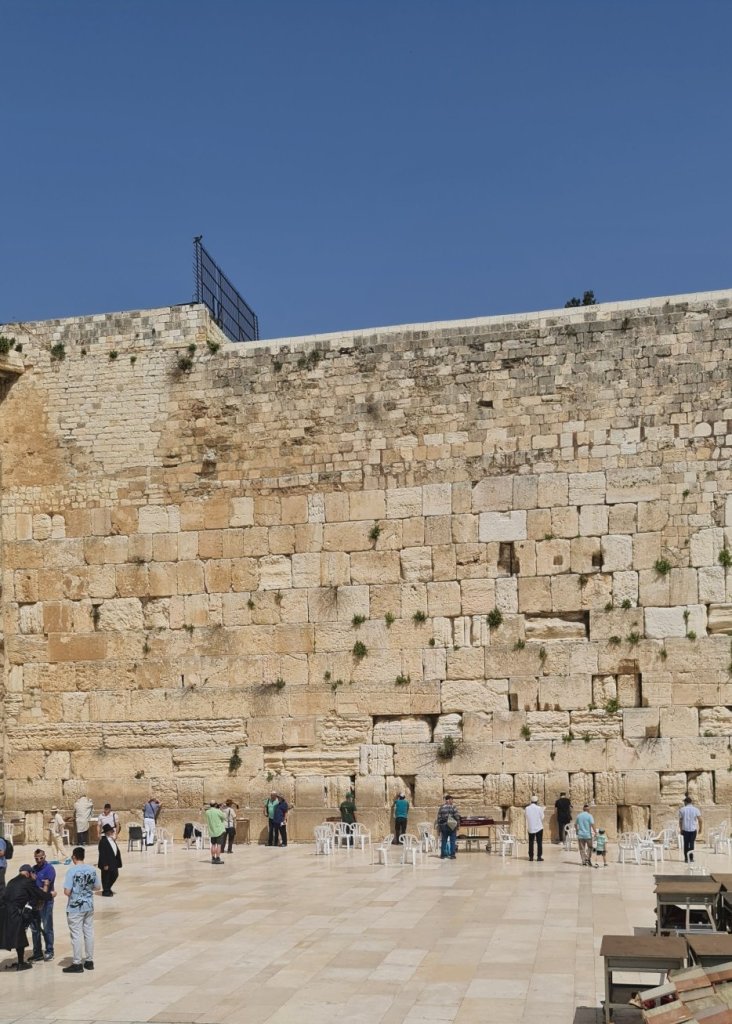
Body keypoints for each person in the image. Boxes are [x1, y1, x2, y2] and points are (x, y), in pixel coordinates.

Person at [0, 864, 52, 970]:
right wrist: (51, 895)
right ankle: (21, 964)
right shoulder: (28, 881)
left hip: (4, 912)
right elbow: (39, 894)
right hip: (15, 913)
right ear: (28, 873)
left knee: (8, 936)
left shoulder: (12, 881)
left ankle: (21, 962)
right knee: (20, 938)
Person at [62, 847, 101, 973]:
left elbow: (67, 891)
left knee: (76, 935)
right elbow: (97, 887)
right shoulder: (92, 870)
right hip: (89, 905)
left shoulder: (72, 871)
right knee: (89, 932)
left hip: (75, 907)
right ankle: (89, 961)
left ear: (74, 857)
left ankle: (77, 963)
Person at [30, 848, 56, 962]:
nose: (39, 860)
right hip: (34, 903)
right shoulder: (33, 869)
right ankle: (37, 953)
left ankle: (49, 950)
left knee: (47, 927)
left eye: (41, 858)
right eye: (37, 858)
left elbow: (45, 888)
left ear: (44, 856)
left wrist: (38, 891)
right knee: (35, 928)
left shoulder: (49, 869)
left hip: (46, 903)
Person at [97, 823, 122, 896]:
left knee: (115, 874)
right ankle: (106, 891)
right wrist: (105, 864)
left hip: (113, 861)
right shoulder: (103, 841)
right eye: (111, 831)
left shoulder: (112, 839)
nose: (112, 832)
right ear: (107, 832)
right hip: (107, 862)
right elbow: (102, 854)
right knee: (106, 877)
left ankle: (107, 888)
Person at [435, 795, 460, 860]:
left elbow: (438, 818)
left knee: (444, 841)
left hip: (443, 826)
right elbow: (457, 817)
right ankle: (452, 855)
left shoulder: (441, 807)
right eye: (452, 800)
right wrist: (458, 825)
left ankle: (443, 855)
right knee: (452, 841)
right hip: (452, 826)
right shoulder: (453, 807)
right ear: (449, 800)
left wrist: (439, 827)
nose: (452, 801)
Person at [679, 795, 702, 863]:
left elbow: (680, 821)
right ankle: (691, 858)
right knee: (691, 844)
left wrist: (681, 829)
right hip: (693, 830)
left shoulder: (682, 809)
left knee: (686, 844)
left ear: (685, 802)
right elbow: (700, 820)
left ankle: (686, 858)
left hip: (685, 830)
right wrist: (700, 828)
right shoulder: (696, 809)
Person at [525, 795, 544, 862]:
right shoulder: (539, 808)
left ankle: (531, 857)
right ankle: (539, 857)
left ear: (531, 801)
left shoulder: (527, 808)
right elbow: (542, 817)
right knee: (539, 842)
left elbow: (526, 816)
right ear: (537, 801)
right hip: (539, 827)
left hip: (531, 827)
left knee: (531, 842)